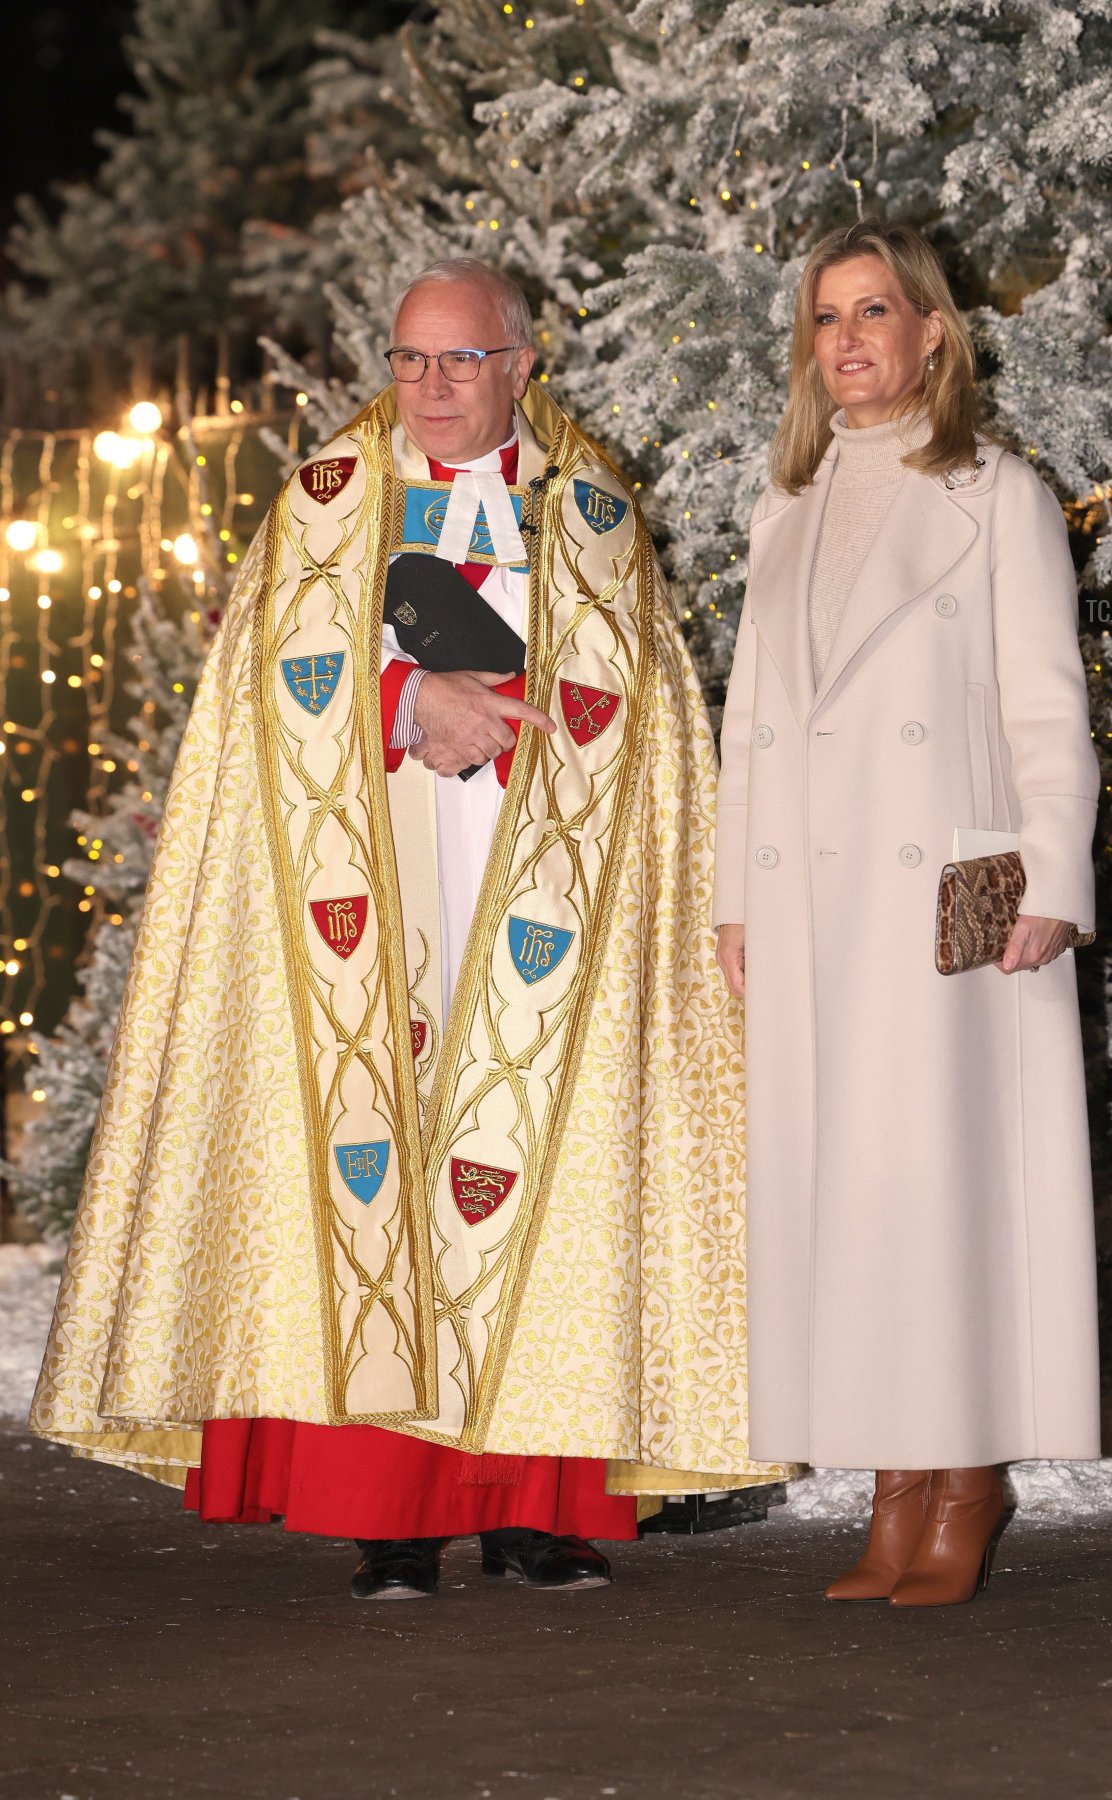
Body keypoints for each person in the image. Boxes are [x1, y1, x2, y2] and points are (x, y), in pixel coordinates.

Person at [32, 258, 779, 1600]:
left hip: (544, 889)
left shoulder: (593, 513)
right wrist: (400, 700)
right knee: (384, 1173)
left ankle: (531, 1508)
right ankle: (389, 1511)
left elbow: (651, 707)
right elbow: (260, 688)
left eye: (462, 361)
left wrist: (538, 732)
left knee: (539, 1181)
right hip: (371, 881)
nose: (431, 388)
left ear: (521, 368)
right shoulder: (324, 504)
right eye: (409, 360)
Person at [715, 219, 1101, 1606]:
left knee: (944, 1192)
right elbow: (753, 724)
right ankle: (892, 1480)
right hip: (813, 904)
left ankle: (966, 1475)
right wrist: (733, 896)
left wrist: (1048, 880)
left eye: (876, 311)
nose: (852, 340)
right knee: (855, 1193)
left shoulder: (997, 496)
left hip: (958, 887)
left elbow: (1049, 705)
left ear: (933, 331)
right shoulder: (787, 506)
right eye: (828, 319)